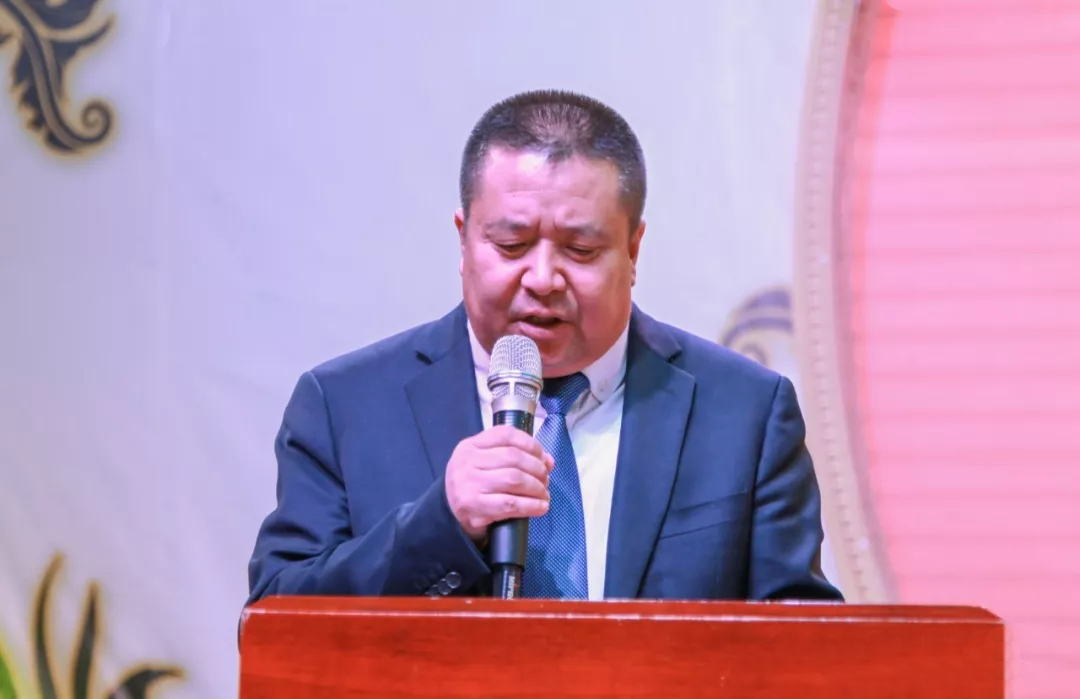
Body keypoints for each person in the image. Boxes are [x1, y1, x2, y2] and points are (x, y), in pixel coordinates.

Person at [245, 89, 842, 604]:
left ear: (633, 250)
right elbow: (275, 621)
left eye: (580, 250)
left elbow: (805, 649)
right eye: (511, 245)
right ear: (464, 240)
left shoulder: (743, 412)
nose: (543, 278)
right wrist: (440, 525)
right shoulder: (344, 406)